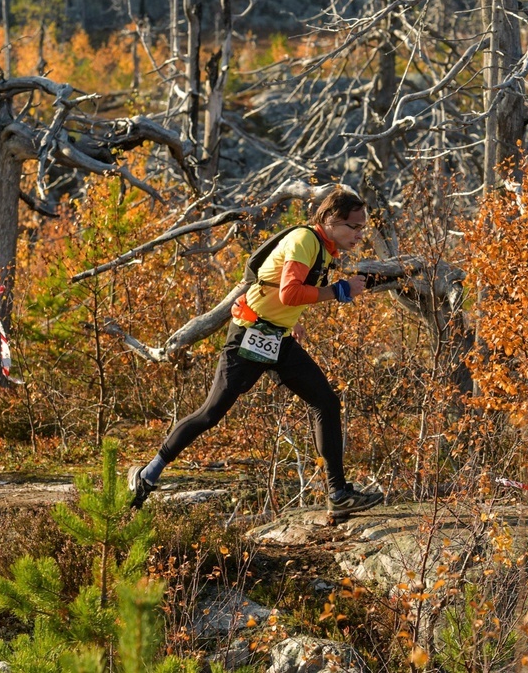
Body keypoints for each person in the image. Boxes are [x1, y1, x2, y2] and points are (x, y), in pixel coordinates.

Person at [128, 188, 385, 518]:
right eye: (354, 226)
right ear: (329, 220)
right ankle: (147, 475)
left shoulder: (322, 248)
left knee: (326, 402)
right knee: (211, 414)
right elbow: (290, 291)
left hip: (274, 337)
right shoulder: (305, 241)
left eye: (363, 227)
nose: (360, 234)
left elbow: (284, 290)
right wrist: (339, 290)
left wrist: (292, 322)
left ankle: (338, 493)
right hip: (250, 335)